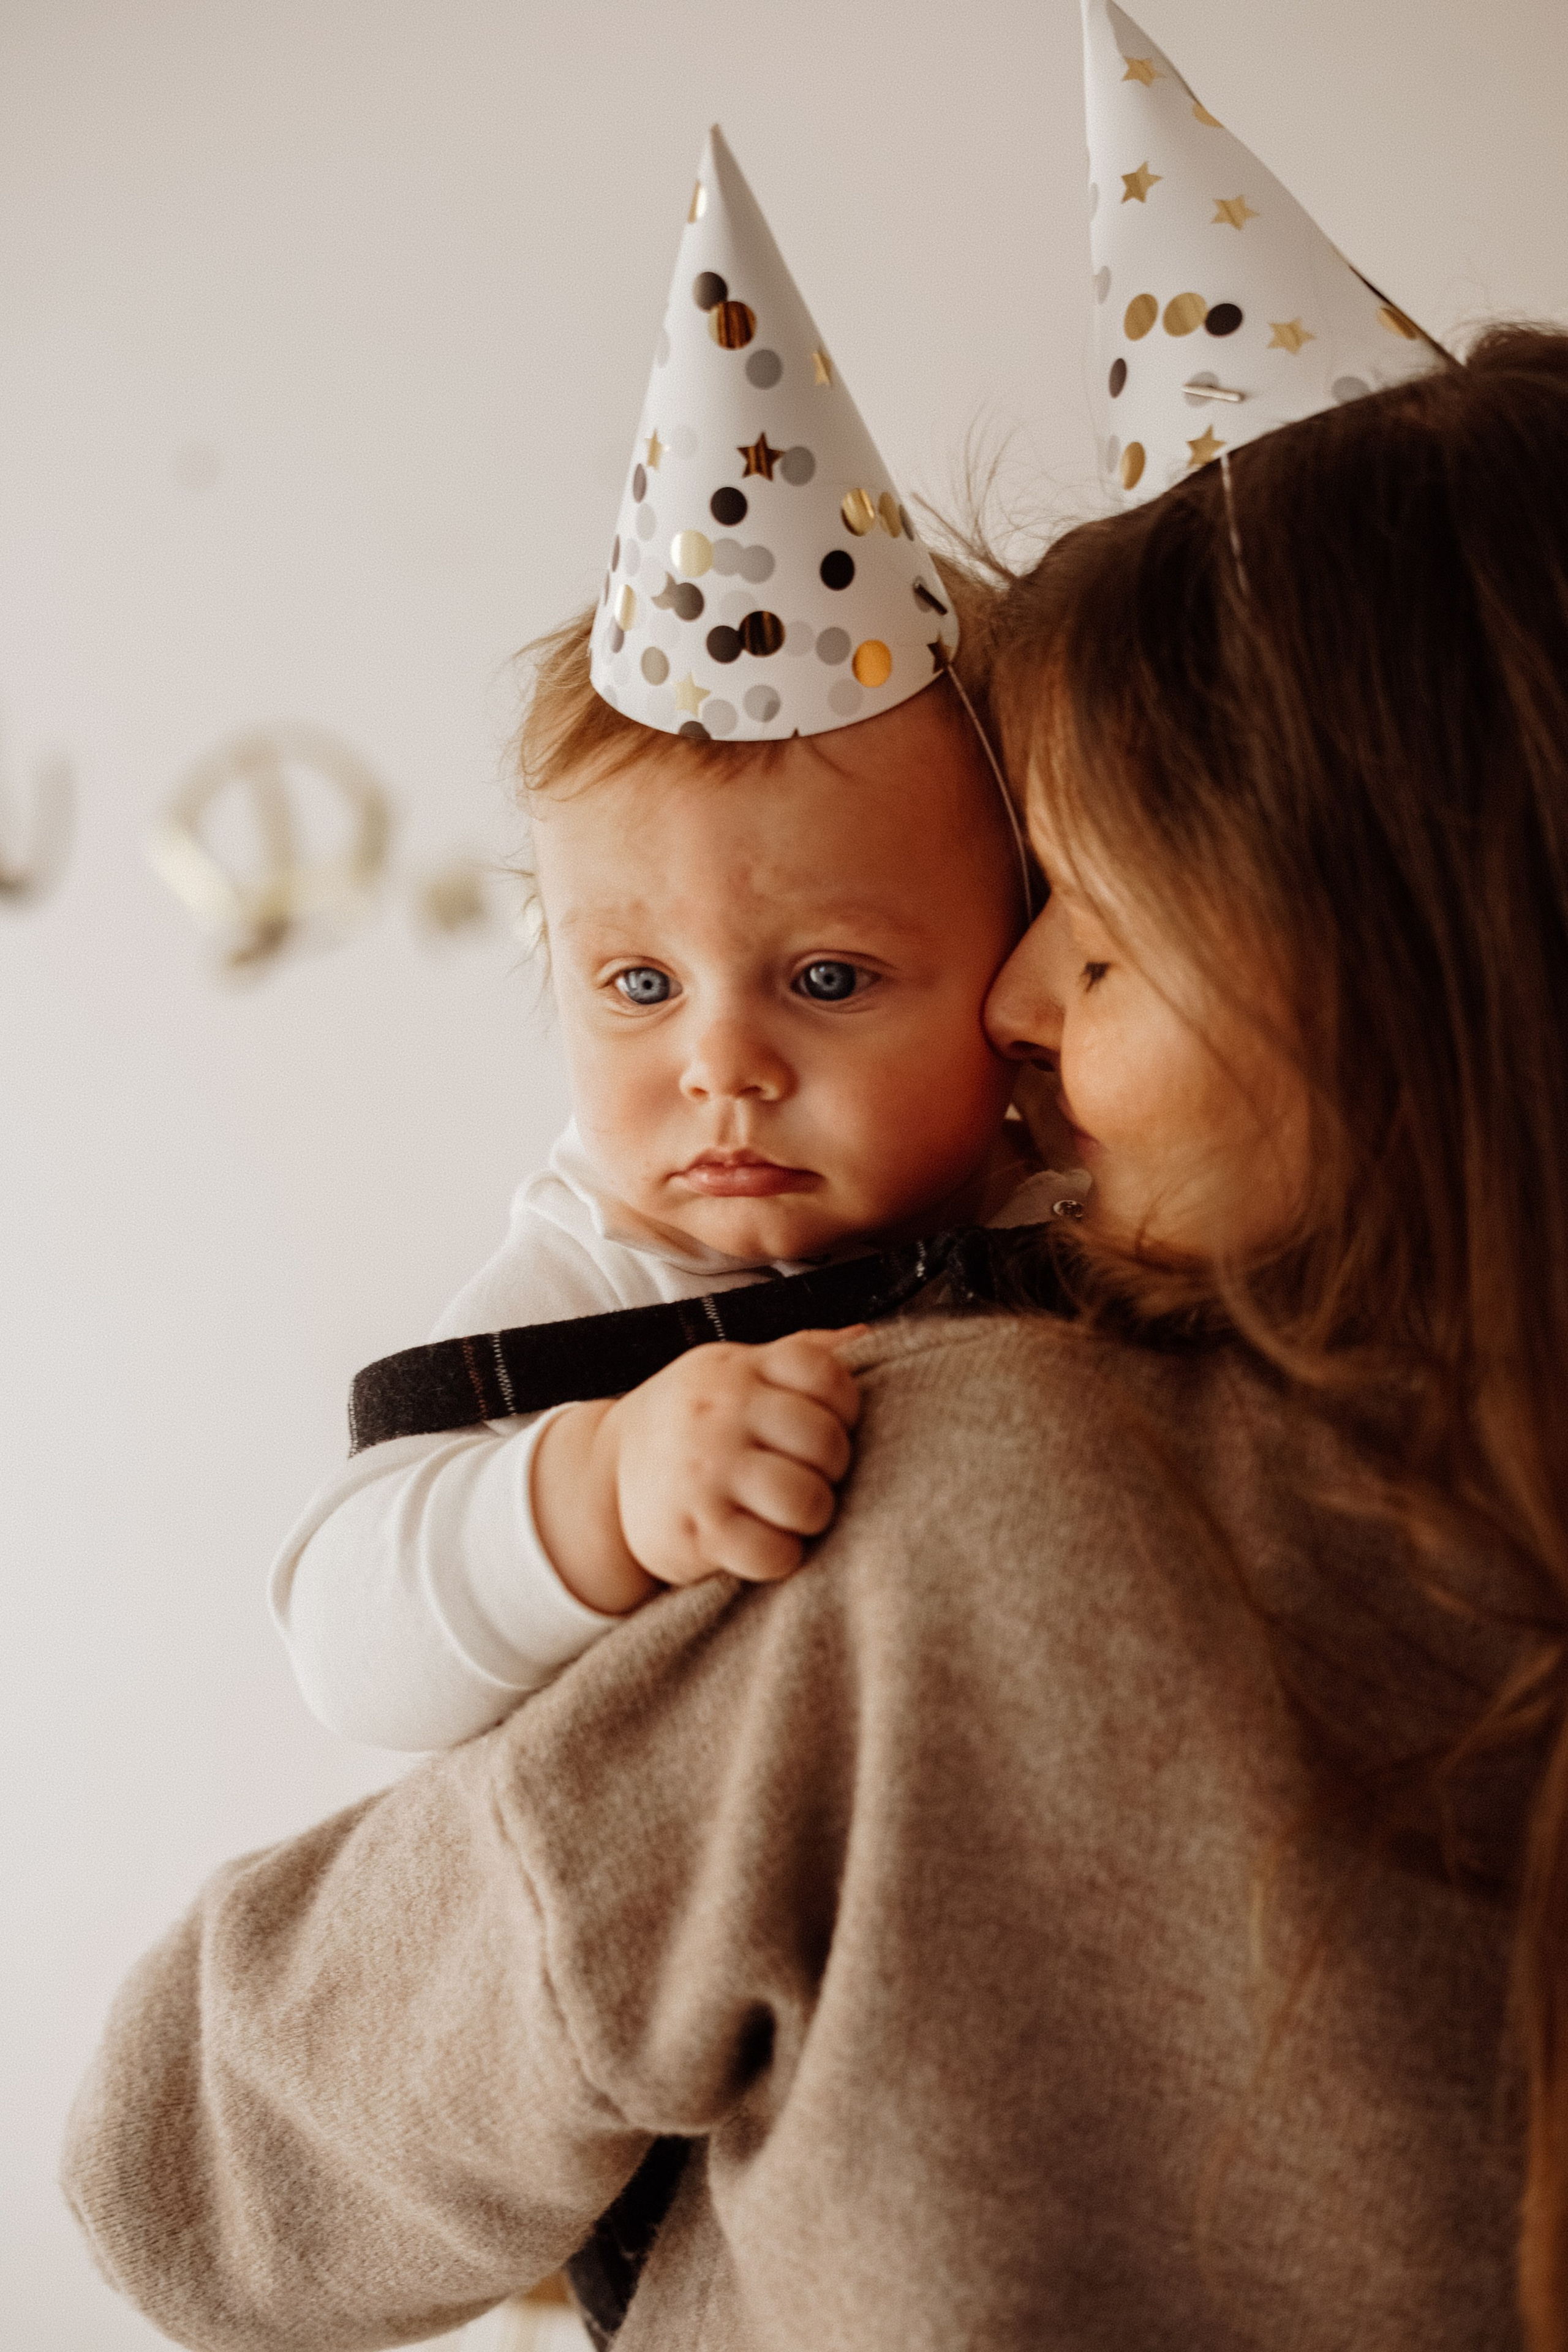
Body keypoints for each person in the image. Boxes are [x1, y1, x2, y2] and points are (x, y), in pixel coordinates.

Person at [62, 327, 1568, 2349]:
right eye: (628, 986)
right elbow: (363, 1602)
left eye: (1093, 931)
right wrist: (579, 1492)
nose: (1019, 1015)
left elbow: (200, 2176)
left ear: (1385, 991)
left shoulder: (970, 1494)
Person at [269, 129, 1076, 1755]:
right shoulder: (598, 1258)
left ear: (1023, 964)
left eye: (828, 977)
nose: (719, 1065)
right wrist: (598, 1491)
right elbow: (345, 1638)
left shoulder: (1081, 1202)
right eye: (638, 986)